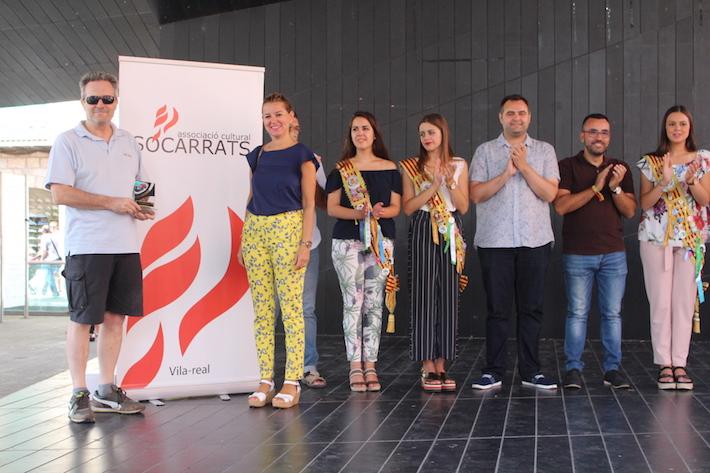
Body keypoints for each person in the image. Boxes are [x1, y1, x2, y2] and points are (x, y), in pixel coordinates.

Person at [45, 71, 154, 423]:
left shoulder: (128, 142)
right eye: (93, 99)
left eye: (107, 98)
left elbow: (141, 186)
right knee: (82, 320)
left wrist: (143, 207)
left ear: (116, 101)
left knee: (115, 318)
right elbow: (60, 193)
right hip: (87, 246)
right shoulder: (68, 141)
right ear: (83, 102)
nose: (100, 105)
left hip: (126, 245)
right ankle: (79, 392)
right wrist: (112, 203)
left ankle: (106, 389)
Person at [469, 94, 560, 390]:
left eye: (521, 113)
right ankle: (493, 371)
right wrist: (506, 173)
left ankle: (531, 371)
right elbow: (476, 194)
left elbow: (550, 193)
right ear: (501, 117)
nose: (516, 118)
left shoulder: (544, 151)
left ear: (529, 117)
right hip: (495, 242)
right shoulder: (485, 151)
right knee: (497, 310)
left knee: (531, 308)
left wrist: (524, 167)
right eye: (510, 113)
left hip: (535, 240)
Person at [239, 92, 318, 408]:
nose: (272, 121)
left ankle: (292, 381)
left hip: (288, 229)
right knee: (262, 310)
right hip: (255, 231)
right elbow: (250, 197)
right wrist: (243, 239)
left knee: (291, 308)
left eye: (278, 114)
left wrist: (305, 244)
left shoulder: (302, 155)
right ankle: (265, 379)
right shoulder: (257, 155)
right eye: (267, 116)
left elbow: (310, 204)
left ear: (291, 117)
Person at [553, 113, 636, 390]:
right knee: (577, 313)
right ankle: (573, 370)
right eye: (592, 132)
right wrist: (595, 187)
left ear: (609, 138)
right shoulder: (567, 166)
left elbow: (630, 211)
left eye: (604, 132)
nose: (598, 137)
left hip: (613, 253)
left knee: (612, 314)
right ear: (582, 136)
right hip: (578, 253)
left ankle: (612, 370)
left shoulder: (620, 168)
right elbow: (561, 206)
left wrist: (614, 188)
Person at [326, 111, 401, 392]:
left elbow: (396, 208)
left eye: (365, 128)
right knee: (352, 303)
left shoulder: (389, 168)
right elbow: (332, 208)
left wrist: (378, 213)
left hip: (381, 241)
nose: (360, 133)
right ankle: (354, 365)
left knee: (374, 303)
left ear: (374, 133)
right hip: (347, 241)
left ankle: (371, 364)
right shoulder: (342, 170)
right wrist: (359, 214)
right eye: (355, 129)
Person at [637, 105, 710, 390]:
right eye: (671, 124)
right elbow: (644, 204)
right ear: (664, 127)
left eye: (682, 124)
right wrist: (664, 182)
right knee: (661, 303)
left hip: (690, 241)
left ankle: (680, 362)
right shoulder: (651, 161)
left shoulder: (702, 159)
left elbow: (705, 200)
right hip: (655, 238)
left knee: (683, 303)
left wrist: (691, 181)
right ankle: (664, 364)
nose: (677, 129)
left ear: (690, 127)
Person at [401, 113, 469, 392]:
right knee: (424, 293)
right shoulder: (411, 167)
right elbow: (408, 207)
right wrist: (432, 187)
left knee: (449, 294)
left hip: (450, 226)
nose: (426, 138)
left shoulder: (459, 164)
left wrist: (449, 182)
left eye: (431, 132)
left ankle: (442, 362)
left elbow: (464, 206)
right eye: (422, 134)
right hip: (423, 224)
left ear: (443, 133)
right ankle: (427, 363)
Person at [274, 113, 328, 389]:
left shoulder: (310, 159)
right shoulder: (266, 157)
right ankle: (263, 371)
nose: (291, 133)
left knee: (305, 308)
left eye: (295, 129)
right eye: (288, 128)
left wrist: (311, 174)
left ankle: (308, 366)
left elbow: (324, 200)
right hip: (273, 245)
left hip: (308, 243)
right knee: (271, 308)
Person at [39, 222, 62, 297]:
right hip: (58, 259)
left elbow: (45, 251)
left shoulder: (45, 237)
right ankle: (44, 291)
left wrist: (41, 259)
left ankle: (54, 292)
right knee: (50, 276)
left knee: (49, 276)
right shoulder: (58, 236)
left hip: (50, 260)